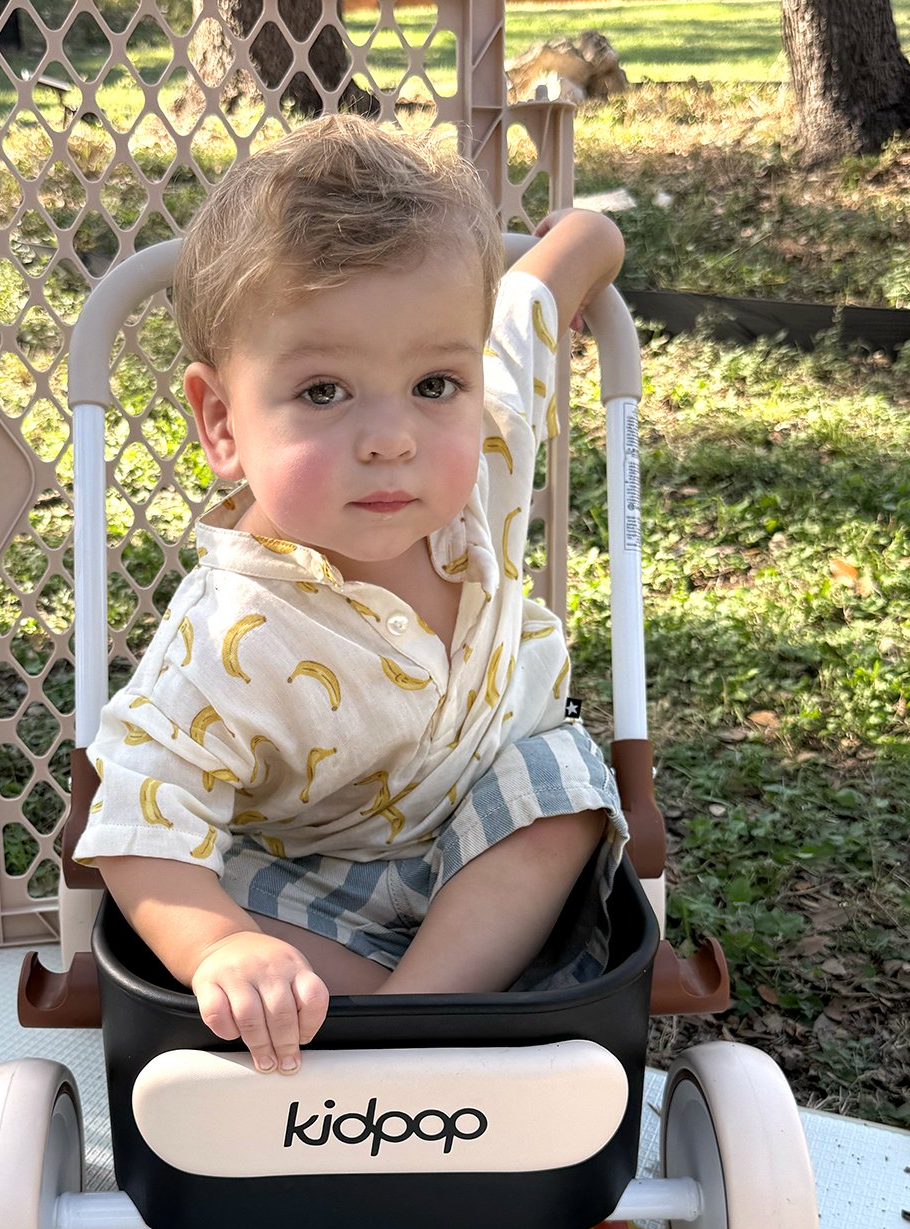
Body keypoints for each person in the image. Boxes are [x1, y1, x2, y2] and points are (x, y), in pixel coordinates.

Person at [73, 114, 627, 1077]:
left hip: (478, 844)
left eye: (433, 383)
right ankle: (419, 1037)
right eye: (325, 392)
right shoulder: (232, 630)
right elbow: (137, 816)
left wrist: (590, 240)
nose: (392, 438)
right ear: (222, 423)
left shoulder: (485, 451)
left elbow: (547, 284)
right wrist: (220, 948)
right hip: (301, 885)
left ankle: (410, 1025)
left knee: (566, 793)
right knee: (236, 945)